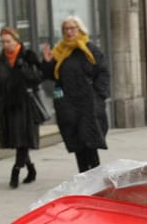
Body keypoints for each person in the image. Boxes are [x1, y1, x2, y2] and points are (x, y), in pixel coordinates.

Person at [0, 27, 44, 188]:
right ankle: (31, 169)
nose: (6, 45)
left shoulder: (28, 56)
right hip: (7, 106)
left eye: (9, 41)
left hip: (26, 105)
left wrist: (23, 69)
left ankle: (16, 170)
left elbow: (38, 78)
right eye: (3, 41)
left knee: (23, 140)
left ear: (16, 41)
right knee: (18, 140)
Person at [39, 15, 110, 173]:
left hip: (88, 103)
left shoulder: (90, 49)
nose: (69, 32)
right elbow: (51, 76)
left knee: (90, 143)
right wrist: (47, 62)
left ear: (80, 29)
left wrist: (99, 96)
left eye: (72, 28)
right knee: (77, 143)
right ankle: (83, 177)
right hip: (69, 104)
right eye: (66, 29)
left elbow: (103, 73)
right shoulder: (60, 51)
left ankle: (96, 179)